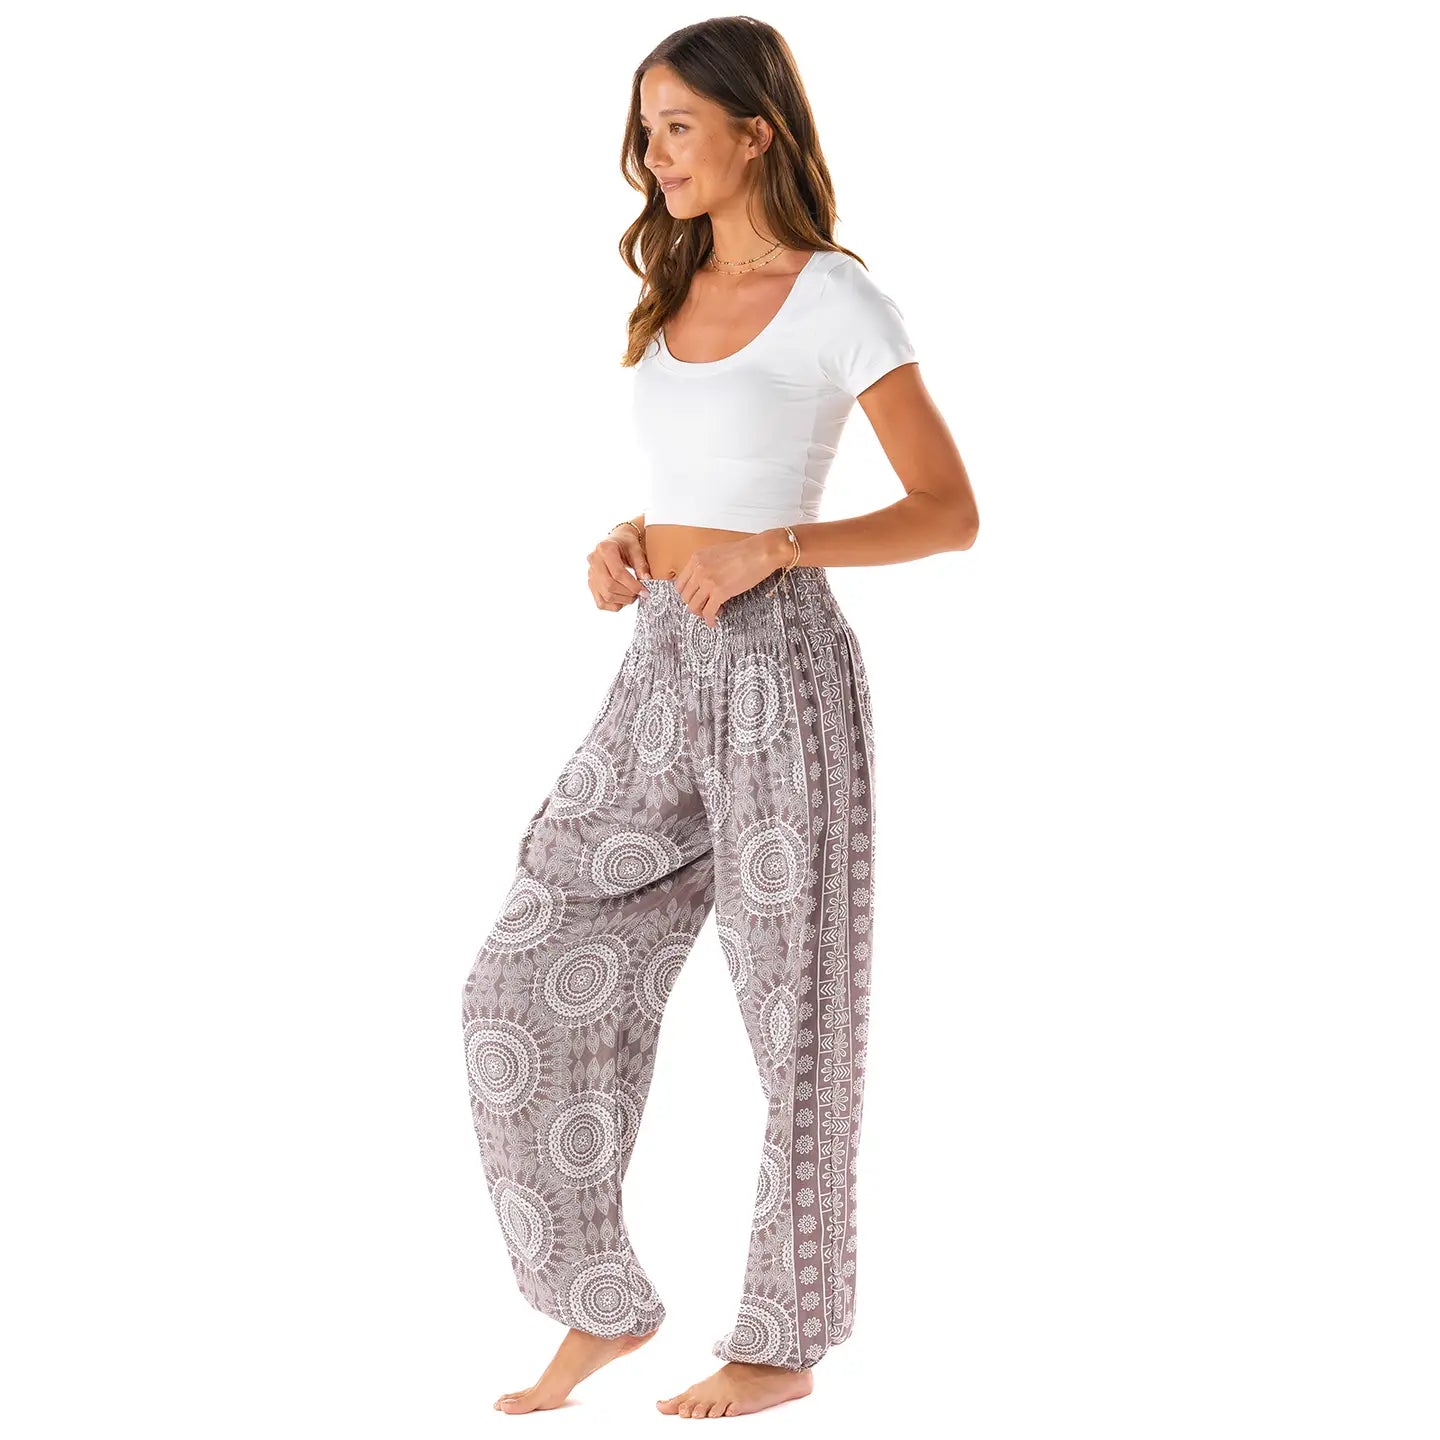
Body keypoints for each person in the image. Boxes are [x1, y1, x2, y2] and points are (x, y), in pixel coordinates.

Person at [461, 16, 978, 1421]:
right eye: (645, 129)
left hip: (779, 672)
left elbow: (950, 512)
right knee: (523, 973)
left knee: (796, 1010)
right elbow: (702, 477)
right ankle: (598, 1302)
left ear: (757, 132)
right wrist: (629, 539)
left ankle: (783, 1342)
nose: (653, 154)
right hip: (661, 656)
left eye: (678, 125)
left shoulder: (839, 299)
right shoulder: (672, 285)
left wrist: (779, 550)